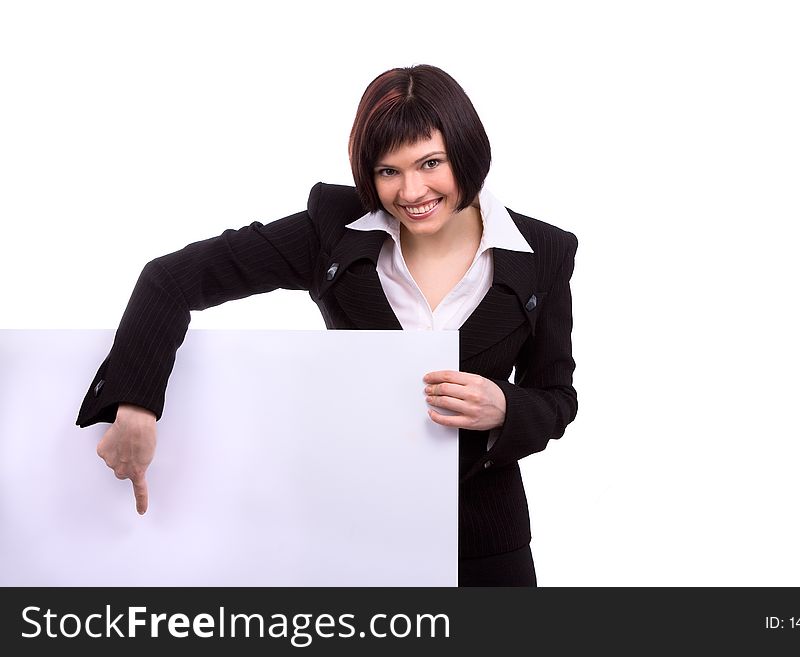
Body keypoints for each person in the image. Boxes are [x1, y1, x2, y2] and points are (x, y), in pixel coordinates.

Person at [77, 64, 578, 586]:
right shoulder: (333, 233)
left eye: (431, 163)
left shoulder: (543, 254)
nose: (411, 191)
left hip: (481, 540)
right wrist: (136, 404)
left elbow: (557, 397)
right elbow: (172, 279)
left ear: (467, 151)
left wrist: (504, 408)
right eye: (389, 171)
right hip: (350, 532)